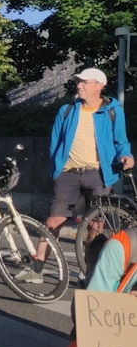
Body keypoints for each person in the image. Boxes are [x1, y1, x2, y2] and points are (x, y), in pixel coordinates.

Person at [23, 68, 133, 283]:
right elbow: (55, 143)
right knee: (53, 220)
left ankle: (88, 271)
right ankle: (37, 268)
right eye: (78, 82)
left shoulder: (112, 111)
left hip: (99, 174)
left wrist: (127, 155)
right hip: (68, 173)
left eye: (85, 82)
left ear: (99, 86)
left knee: (96, 225)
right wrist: (56, 168)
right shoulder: (66, 110)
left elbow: (121, 141)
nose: (79, 85)